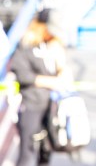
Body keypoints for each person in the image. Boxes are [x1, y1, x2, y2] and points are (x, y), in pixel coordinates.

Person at [8, 9, 73, 166]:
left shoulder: (51, 46)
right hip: (30, 104)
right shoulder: (25, 46)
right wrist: (50, 82)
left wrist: (62, 67)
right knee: (27, 154)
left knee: (46, 150)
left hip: (50, 105)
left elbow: (61, 71)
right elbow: (23, 75)